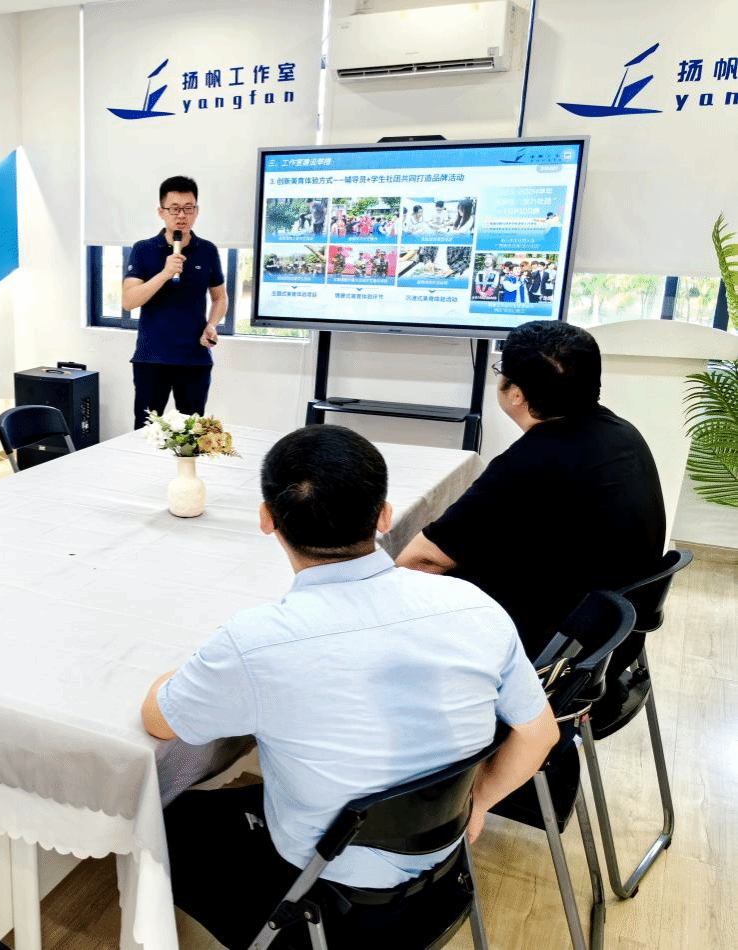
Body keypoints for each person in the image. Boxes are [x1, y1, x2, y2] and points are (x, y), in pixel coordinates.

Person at [142, 425, 557, 950]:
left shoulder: (255, 642)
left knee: (166, 817)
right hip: (443, 866)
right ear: (384, 516)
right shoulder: (475, 606)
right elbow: (540, 734)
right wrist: (478, 800)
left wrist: (174, 676)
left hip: (322, 887)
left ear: (266, 519)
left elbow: (160, 720)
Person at [396, 321, 667, 662]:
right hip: (609, 643)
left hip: (547, 651)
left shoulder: (530, 464)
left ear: (516, 393)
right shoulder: (623, 434)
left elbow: (418, 562)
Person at [122, 175, 227, 429]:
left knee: (191, 433)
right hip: (151, 358)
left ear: (197, 211)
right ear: (161, 212)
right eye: (174, 209)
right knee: (145, 430)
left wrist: (212, 325)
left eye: (188, 208)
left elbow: (219, 297)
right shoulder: (143, 249)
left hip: (194, 358)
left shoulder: (208, 250)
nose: (182, 215)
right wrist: (165, 273)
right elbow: (129, 301)